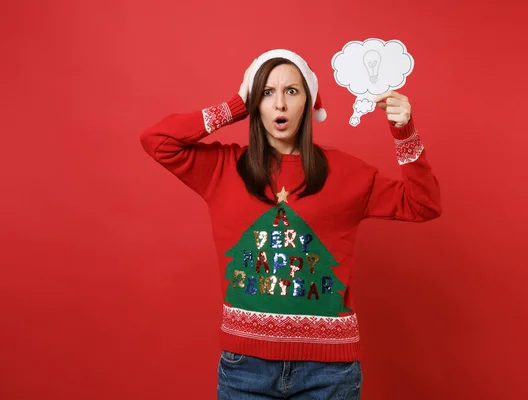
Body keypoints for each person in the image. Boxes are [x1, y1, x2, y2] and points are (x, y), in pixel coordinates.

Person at [140, 48, 441, 399]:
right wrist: (237, 103)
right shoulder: (222, 168)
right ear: (257, 103)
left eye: (292, 91)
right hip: (245, 369)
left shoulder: (348, 173)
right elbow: (157, 141)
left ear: (308, 103)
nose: (280, 104)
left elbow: (423, 204)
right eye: (267, 93)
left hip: (328, 373)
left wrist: (404, 132)